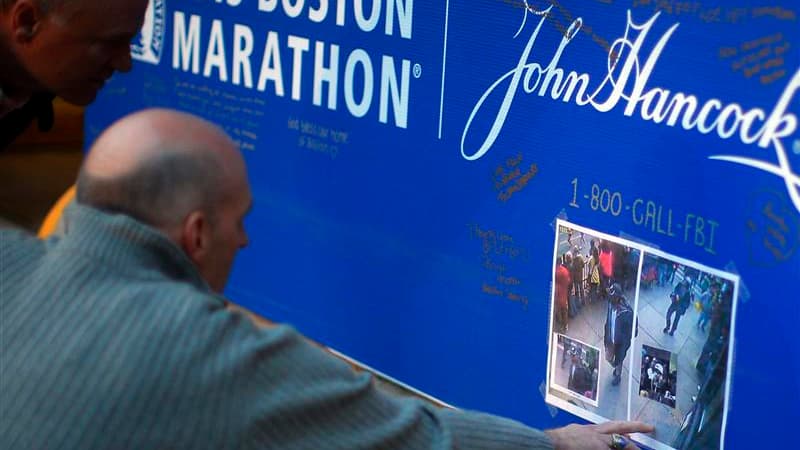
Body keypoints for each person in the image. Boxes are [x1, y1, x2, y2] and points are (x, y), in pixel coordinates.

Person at [0, 109, 652, 449]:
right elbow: (412, 441)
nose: (247, 240)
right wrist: (554, 446)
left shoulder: (13, 258)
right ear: (196, 234)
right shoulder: (202, 351)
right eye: (238, 222)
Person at [0, 0, 147, 148]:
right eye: (110, 42)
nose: (125, 65)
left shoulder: (36, 78)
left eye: (129, 42)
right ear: (27, 21)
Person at [603, 283, 634, 386]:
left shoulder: (626, 312)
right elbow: (608, 321)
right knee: (608, 358)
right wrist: (606, 337)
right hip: (610, 339)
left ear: (616, 299)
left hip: (620, 344)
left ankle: (618, 375)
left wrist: (623, 345)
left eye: (611, 298)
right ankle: (615, 365)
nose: (609, 300)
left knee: (619, 360)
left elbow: (631, 331)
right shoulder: (610, 305)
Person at [555, 254, 572, 332]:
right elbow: (568, 281)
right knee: (564, 311)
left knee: (559, 311)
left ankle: (561, 325)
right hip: (564, 294)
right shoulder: (565, 271)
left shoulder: (555, 271)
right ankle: (565, 325)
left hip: (557, 295)